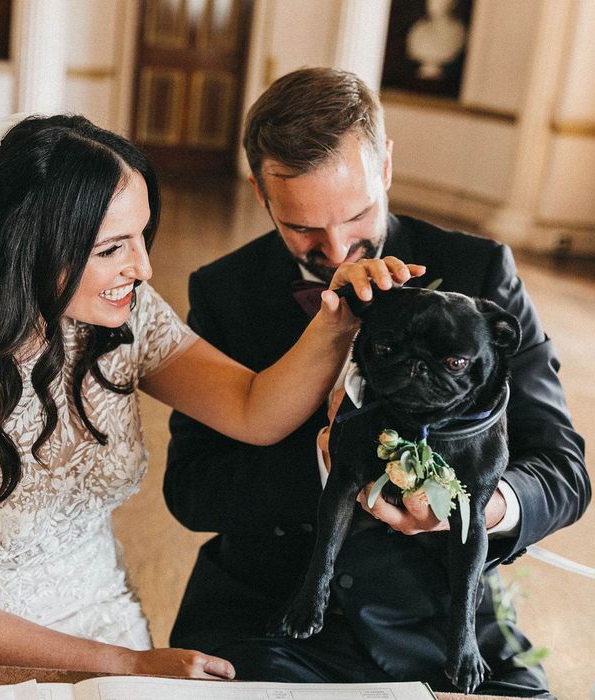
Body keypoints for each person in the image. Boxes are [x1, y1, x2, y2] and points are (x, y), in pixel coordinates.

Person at [0, 113, 422, 675]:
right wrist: (131, 665)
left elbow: (251, 409)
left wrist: (337, 319)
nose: (143, 268)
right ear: (26, 245)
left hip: (107, 614)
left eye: (142, 236)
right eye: (111, 249)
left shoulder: (121, 317)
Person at [165, 68, 590, 696]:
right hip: (269, 614)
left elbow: (563, 470)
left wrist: (485, 507)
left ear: (385, 165)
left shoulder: (480, 271)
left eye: (357, 214)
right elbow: (193, 491)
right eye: (303, 227)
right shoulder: (224, 292)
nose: (337, 250)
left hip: (445, 620)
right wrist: (327, 461)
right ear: (259, 191)